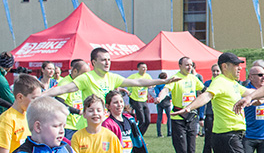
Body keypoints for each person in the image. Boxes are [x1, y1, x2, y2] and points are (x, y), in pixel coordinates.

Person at [42, 47, 176, 104]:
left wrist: (165, 81)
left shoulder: (113, 77)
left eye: (109, 60)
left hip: (107, 125)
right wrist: (40, 95)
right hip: (88, 125)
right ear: (94, 62)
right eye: (103, 60)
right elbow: (62, 89)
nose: (107, 63)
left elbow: (139, 82)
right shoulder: (87, 78)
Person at [156, 57, 205, 153]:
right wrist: (160, 97)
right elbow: (166, 89)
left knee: (191, 152)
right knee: (182, 152)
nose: (189, 67)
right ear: (179, 65)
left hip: (191, 118)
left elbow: (203, 90)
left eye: (191, 65)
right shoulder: (175, 78)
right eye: (186, 65)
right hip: (178, 118)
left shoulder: (194, 78)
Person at [60, 59, 89, 140]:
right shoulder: (66, 83)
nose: (86, 77)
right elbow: (59, 102)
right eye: (83, 74)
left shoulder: (81, 82)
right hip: (69, 127)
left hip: (81, 125)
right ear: (75, 71)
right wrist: (77, 111)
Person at [201, 64, 220, 153]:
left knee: (223, 142)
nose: (216, 73)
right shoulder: (208, 84)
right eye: (214, 71)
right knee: (208, 142)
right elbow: (203, 101)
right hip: (210, 115)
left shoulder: (225, 83)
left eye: (218, 71)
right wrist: (201, 117)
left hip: (221, 116)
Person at [128, 62, 152, 135]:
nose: (144, 69)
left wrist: (150, 85)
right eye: (143, 68)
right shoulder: (133, 76)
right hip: (136, 99)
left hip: (143, 100)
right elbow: (126, 83)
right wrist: (129, 91)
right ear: (138, 68)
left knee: (148, 121)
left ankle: (140, 135)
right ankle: (136, 135)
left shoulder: (147, 76)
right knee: (142, 120)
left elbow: (152, 84)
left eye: (145, 68)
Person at [154, 72, 173, 138]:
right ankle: (169, 132)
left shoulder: (157, 85)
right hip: (166, 100)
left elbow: (156, 92)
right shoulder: (167, 84)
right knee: (169, 117)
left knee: (159, 117)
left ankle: (159, 133)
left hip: (159, 101)